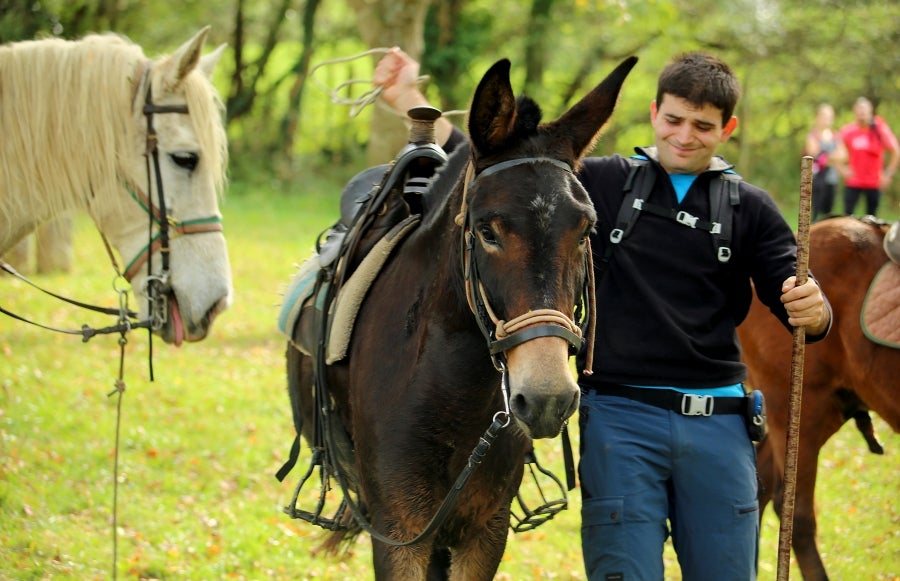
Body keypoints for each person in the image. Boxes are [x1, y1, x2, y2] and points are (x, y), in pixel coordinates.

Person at [374, 48, 832, 580]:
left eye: (703, 126)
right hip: (621, 420)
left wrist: (814, 307)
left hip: (719, 424)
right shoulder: (602, 184)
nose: (685, 136)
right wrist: (409, 99)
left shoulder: (750, 207)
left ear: (727, 129)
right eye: (674, 120)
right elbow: (506, 166)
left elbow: (797, 296)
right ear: (654, 114)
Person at [837, 97, 899, 217]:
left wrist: (888, 174)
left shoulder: (879, 129)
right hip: (853, 181)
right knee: (847, 215)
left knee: (871, 217)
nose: (862, 112)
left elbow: (895, 151)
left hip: (874, 182)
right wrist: (841, 169)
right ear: (854, 111)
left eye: (864, 109)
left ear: (870, 110)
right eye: (859, 109)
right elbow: (835, 152)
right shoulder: (848, 131)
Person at [805, 103, 846, 221]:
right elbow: (813, 153)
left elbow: (843, 155)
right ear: (817, 117)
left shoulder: (835, 135)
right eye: (823, 116)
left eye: (829, 116)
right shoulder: (813, 135)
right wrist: (832, 156)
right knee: (814, 211)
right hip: (817, 179)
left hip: (832, 178)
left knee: (828, 212)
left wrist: (826, 156)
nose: (826, 119)